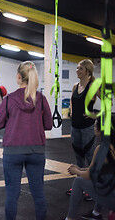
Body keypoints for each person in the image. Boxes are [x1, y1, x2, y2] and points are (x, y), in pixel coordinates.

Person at [0, 61, 52, 220]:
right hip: (36, 151)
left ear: (19, 77)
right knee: (38, 194)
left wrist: (11, 119)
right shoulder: (41, 98)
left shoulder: (9, 99)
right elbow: (48, 125)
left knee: (12, 194)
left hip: (13, 152)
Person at [62, 116, 115, 220]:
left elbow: (89, 175)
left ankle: (69, 218)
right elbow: (98, 170)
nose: (94, 127)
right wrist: (81, 169)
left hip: (112, 199)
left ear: (101, 129)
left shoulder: (101, 149)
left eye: (95, 125)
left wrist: (76, 171)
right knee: (103, 178)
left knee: (78, 181)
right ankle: (96, 213)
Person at [67, 59, 99, 199]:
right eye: (77, 68)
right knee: (78, 158)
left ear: (87, 71)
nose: (77, 70)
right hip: (75, 127)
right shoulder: (75, 86)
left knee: (90, 158)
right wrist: (72, 110)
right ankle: (79, 186)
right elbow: (72, 100)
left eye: (80, 68)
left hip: (87, 128)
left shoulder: (93, 87)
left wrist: (94, 114)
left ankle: (93, 189)